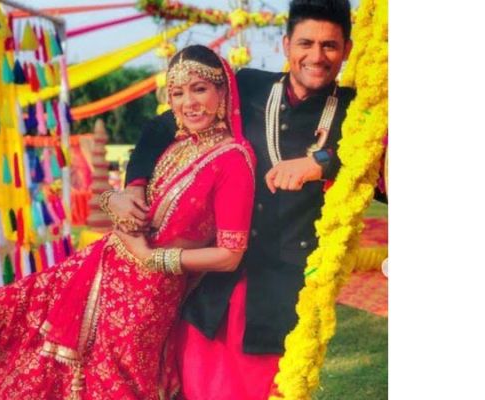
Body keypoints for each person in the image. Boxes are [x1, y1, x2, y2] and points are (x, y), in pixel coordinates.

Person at [0, 45, 256, 400]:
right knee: (0, 323)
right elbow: (136, 207)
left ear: (222, 91)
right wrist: (113, 200)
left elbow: (229, 255)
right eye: (178, 93)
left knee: (115, 385)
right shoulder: (179, 145)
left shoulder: (233, 159)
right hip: (97, 267)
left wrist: (153, 258)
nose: (189, 103)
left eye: (199, 89)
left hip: (147, 296)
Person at [106, 0, 357, 398]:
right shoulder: (248, 86)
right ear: (286, 45)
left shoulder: (355, 112)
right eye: (305, 43)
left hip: (280, 293)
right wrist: (132, 187)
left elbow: (377, 163)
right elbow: (163, 125)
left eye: (329, 45)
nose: (316, 56)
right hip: (209, 285)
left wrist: (321, 163)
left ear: (347, 49)